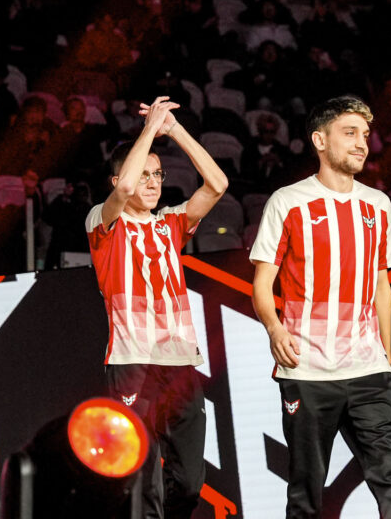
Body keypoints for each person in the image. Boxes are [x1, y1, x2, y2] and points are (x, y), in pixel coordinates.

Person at [249, 95, 391, 519]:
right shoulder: (287, 202)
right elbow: (262, 283)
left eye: (364, 134)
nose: (361, 143)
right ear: (320, 141)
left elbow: (381, 282)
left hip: (368, 369)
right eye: (350, 133)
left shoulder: (379, 205)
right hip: (307, 371)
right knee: (306, 489)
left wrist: (386, 348)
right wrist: (274, 328)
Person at [84, 96, 228, 517]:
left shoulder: (171, 223)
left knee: (188, 484)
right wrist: (148, 132)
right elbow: (126, 189)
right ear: (115, 180)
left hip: (179, 362)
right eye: (144, 173)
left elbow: (217, 185)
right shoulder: (102, 222)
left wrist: (174, 130)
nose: (151, 183)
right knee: (140, 475)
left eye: (158, 175)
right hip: (132, 360)